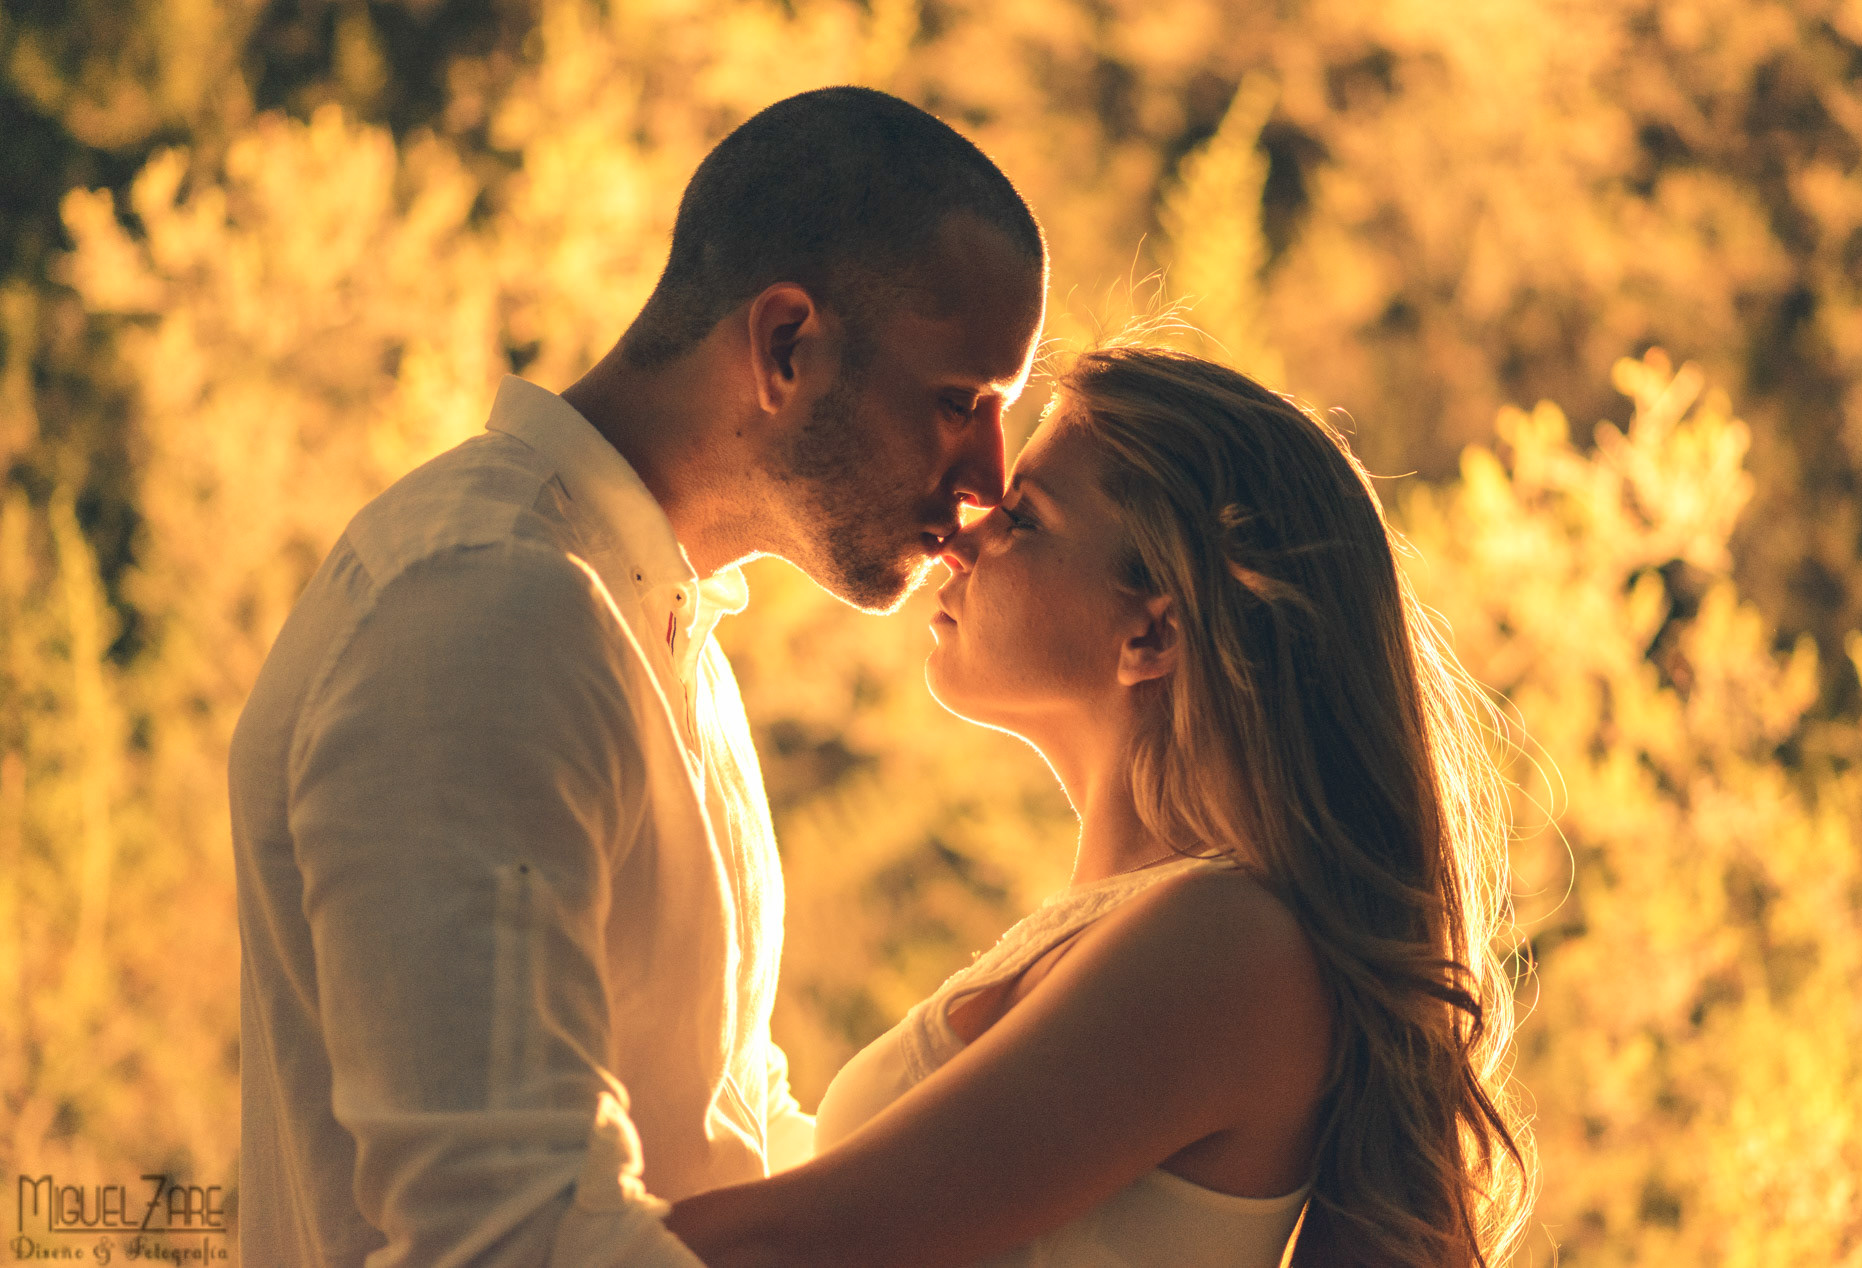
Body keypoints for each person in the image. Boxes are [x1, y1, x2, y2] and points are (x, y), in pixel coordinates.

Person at [226, 86, 1046, 1264]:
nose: (987, 477)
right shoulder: (490, 610)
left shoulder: (654, 622)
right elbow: (511, 1234)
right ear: (784, 346)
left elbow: (724, 1128)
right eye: (960, 401)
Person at [661, 345, 1537, 1267]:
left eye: (1025, 519)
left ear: (1151, 631)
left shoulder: (1227, 946)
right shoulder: (1148, 932)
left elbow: (800, 1242)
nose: (959, 540)